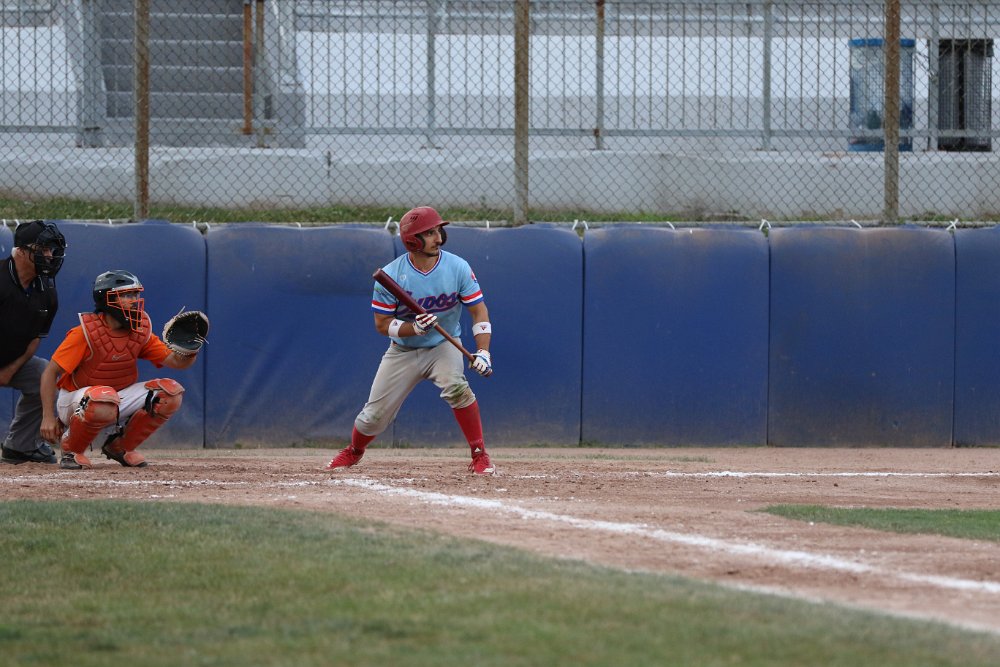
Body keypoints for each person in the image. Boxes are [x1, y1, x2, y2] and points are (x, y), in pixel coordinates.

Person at [326, 206, 496, 475]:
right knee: (372, 417)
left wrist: (483, 352)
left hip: (444, 345)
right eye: (429, 233)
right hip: (403, 351)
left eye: (438, 231)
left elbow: (479, 311)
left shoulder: (457, 267)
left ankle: (479, 454)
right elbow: (382, 325)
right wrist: (412, 328)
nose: (438, 238)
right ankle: (354, 450)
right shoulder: (391, 276)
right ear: (412, 241)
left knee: (457, 387)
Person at [40, 270, 200, 469]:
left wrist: (189, 349)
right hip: (74, 399)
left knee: (170, 393)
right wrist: (48, 417)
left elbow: (177, 362)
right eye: (126, 295)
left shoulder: (139, 330)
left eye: (135, 294)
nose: (134, 300)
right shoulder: (85, 333)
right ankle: (71, 450)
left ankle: (120, 446)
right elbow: (49, 373)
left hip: (114, 397)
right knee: (102, 397)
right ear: (106, 299)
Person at [1, 220, 66, 464]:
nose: (49, 255)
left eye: (51, 249)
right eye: (42, 249)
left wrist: (10, 369)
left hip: (11, 359)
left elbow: (34, 339)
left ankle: (20, 446)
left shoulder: (47, 291)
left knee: (43, 374)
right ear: (20, 251)